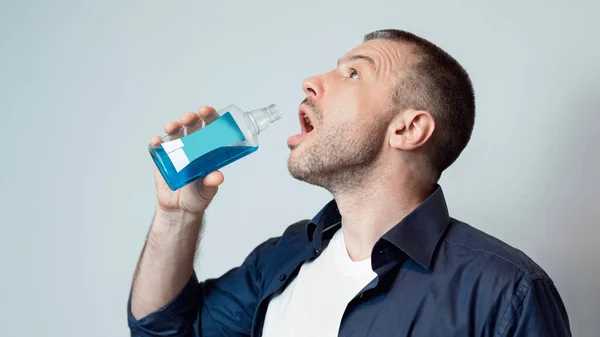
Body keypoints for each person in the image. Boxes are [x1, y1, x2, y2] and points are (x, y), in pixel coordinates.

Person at [127, 29, 571, 336]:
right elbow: (164, 330)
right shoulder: (280, 261)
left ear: (408, 129)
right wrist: (176, 215)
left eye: (354, 73)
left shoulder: (504, 291)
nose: (311, 82)